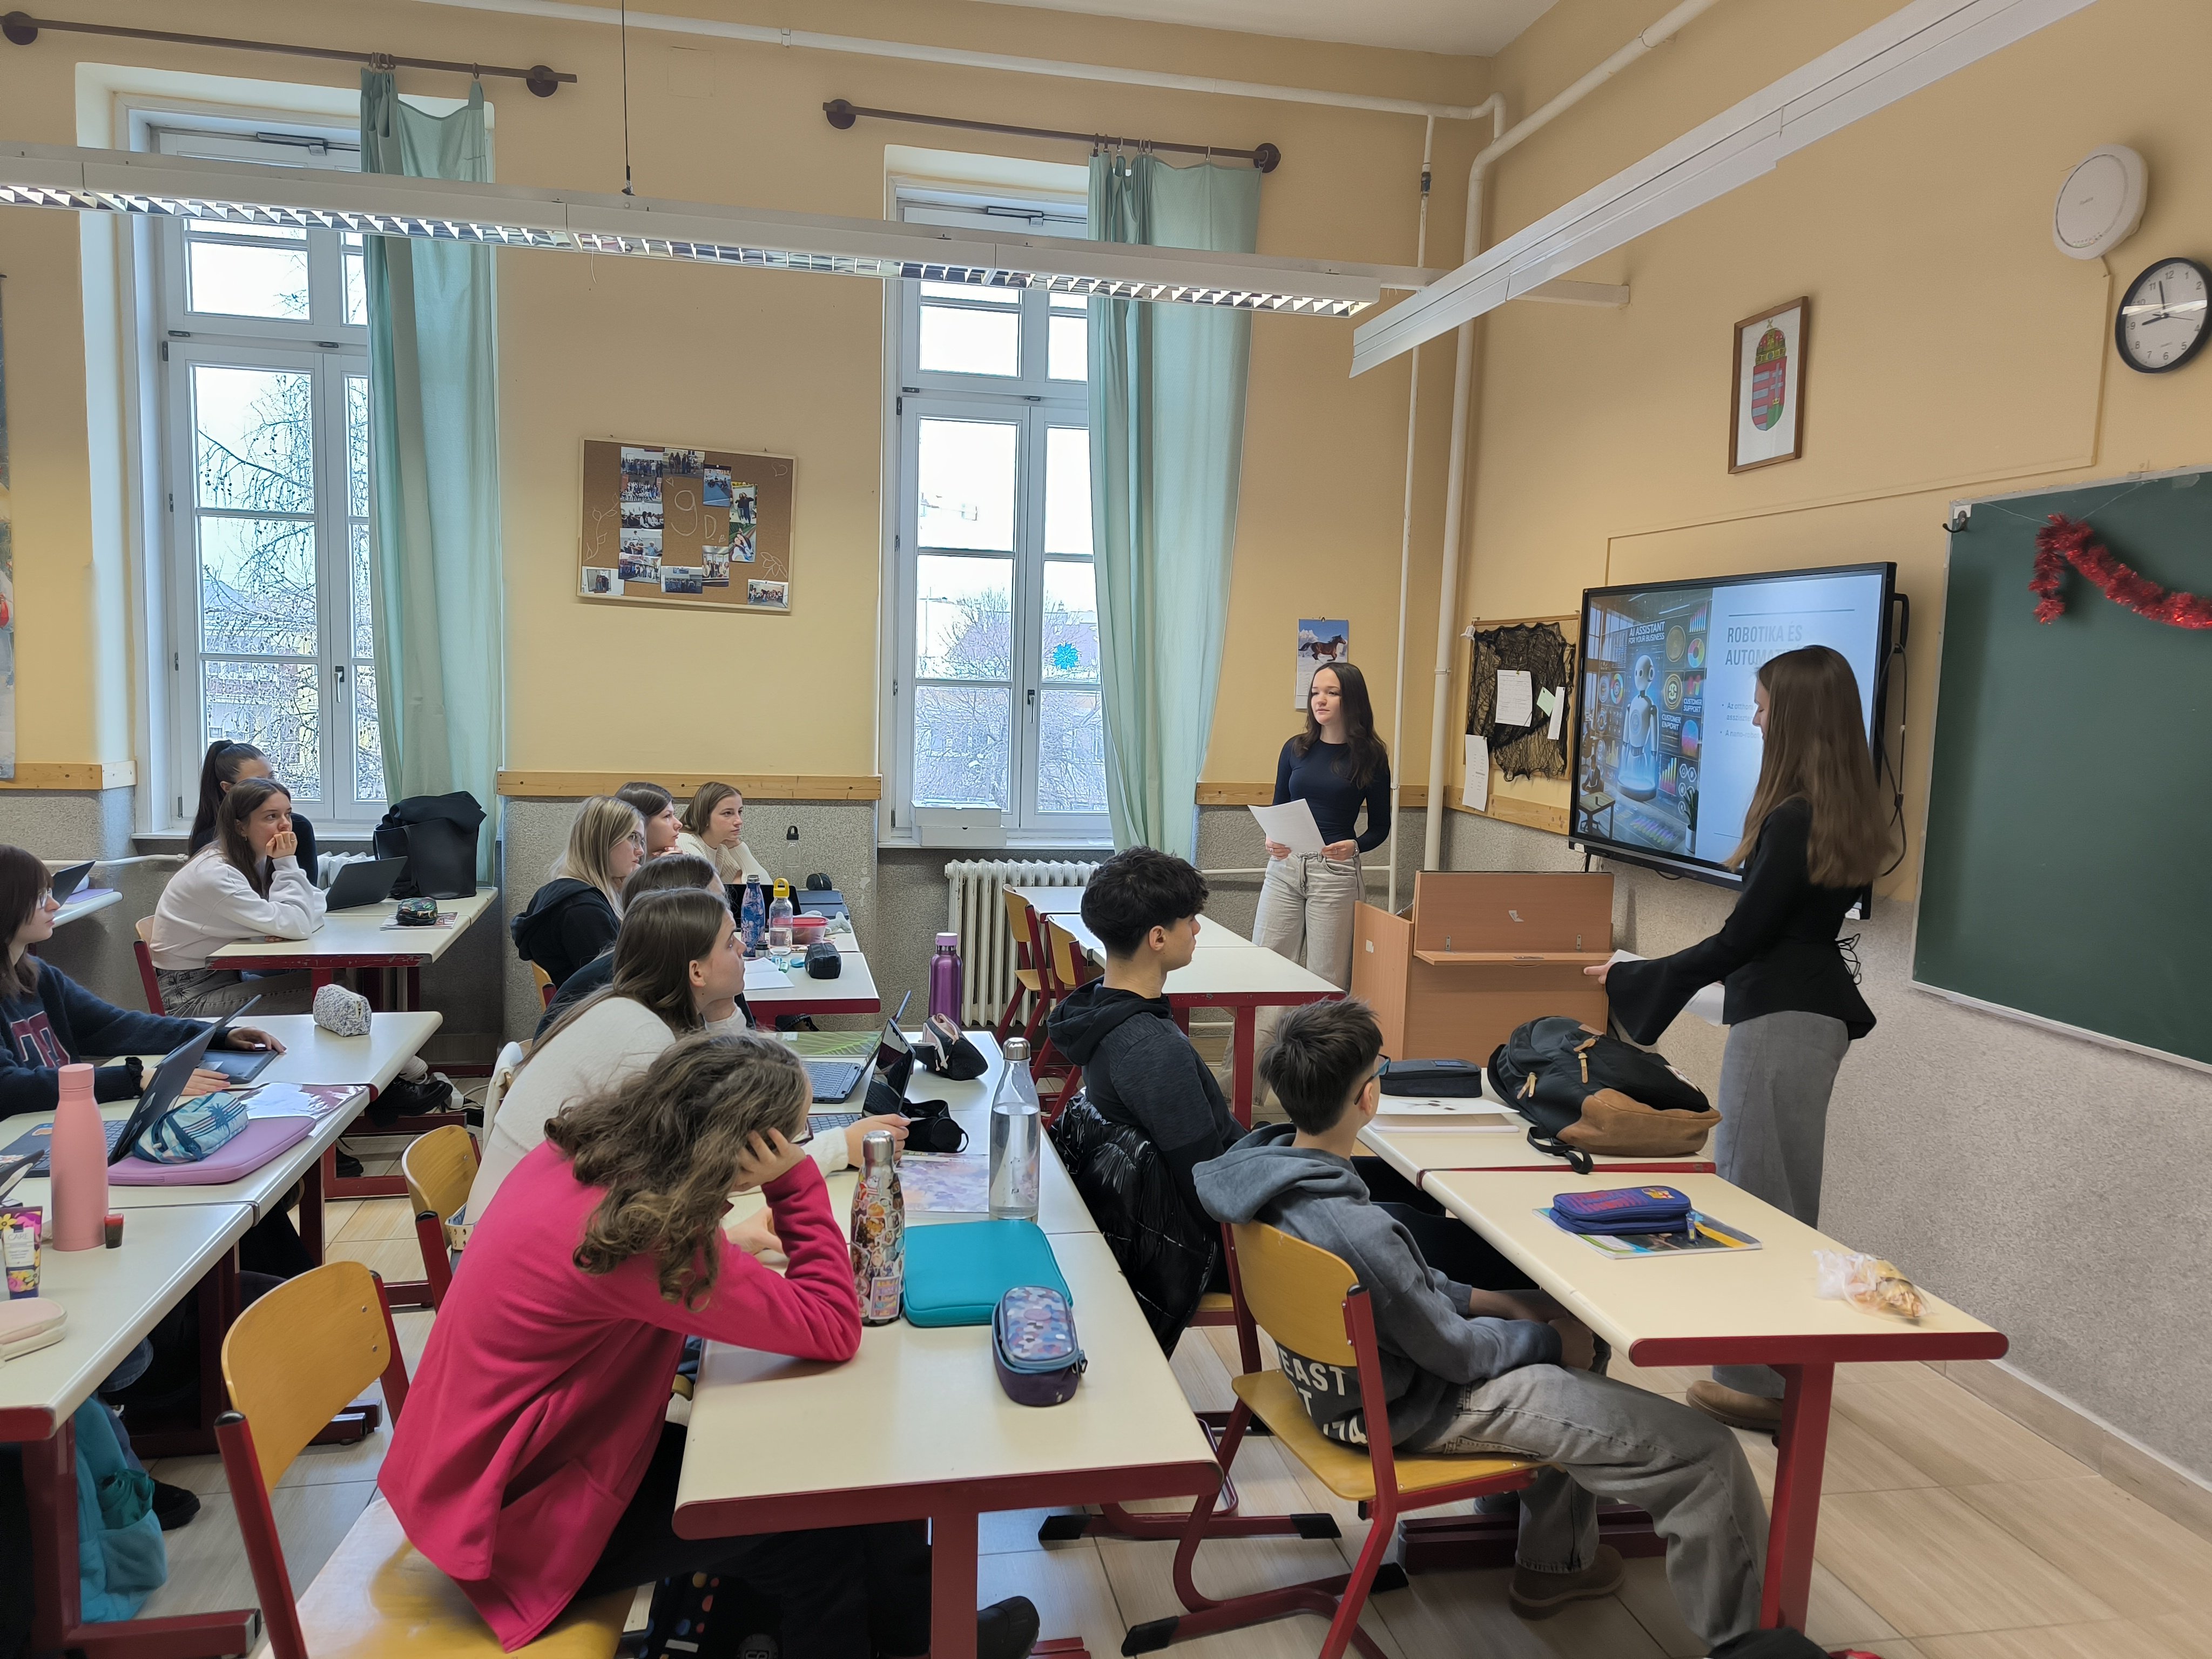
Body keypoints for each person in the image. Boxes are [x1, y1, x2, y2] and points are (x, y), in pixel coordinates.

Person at [379, 1035, 1039, 1659]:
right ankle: (901, 1634)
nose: (794, 1150)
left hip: (479, 1470)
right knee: (814, 1527)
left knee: (849, 1470)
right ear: (745, 1147)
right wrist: (795, 1183)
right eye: (790, 1139)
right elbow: (834, 1328)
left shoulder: (580, 1160)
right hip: (510, 1523)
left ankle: (920, 1633)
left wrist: (729, 1243)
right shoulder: (645, 1239)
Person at [1196, 1000, 1772, 1651]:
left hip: (1338, 1388)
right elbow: (1457, 1354)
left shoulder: (1273, 1174)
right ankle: (1752, 1645)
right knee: (1706, 1454)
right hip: (1414, 1406)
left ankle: (1549, 1557)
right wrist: (1548, 1340)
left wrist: (1506, 1305)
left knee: (1561, 1320)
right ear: (1367, 1097)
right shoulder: (1353, 1228)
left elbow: (1404, 1288)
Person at [1590, 643, 1887, 1436]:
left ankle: (1757, 1386)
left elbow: (1739, 941)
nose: (1753, 718)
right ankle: (1779, 1373)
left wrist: (1635, 975)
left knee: (1757, 1200)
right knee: (1785, 1199)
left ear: (1794, 716)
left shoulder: (1792, 820)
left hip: (1783, 1026)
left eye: (1761, 706)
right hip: (1811, 1018)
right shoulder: (1839, 811)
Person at [470, 888, 905, 1224]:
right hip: (519, 1236)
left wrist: (722, 1008)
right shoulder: (640, 1036)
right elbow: (711, 1167)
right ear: (696, 971)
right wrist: (839, 1147)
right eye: (730, 942)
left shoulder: (643, 1010)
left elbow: (734, 1097)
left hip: (547, 1217)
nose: (742, 949)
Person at [1047, 846, 1242, 1340]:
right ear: (1157, 938)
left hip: (1156, 1225)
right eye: (1189, 920)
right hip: (1214, 1244)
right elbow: (1210, 1187)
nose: (1196, 929)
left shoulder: (1095, 1013)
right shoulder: (1153, 1050)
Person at [1254, 661, 1391, 994]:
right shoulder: (1295, 748)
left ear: (1352, 700)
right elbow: (1279, 806)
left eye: (1332, 693)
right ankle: (1265, 1034)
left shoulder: (1371, 756)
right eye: (1316, 692)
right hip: (1285, 868)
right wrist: (1272, 837)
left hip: (1335, 874)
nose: (1321, 700)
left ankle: (1321, 1033)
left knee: (1326, 978)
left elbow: (1380, 827)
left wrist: (1355, 846)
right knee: (1265, 969)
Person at [148, 778, 326, 1017]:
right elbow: (300, 923)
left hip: (225, 977)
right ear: (241, 828)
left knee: (327, 981)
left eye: (288, 814)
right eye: (271, 817)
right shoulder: (216, 874)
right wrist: (286, 864)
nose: (285, 825)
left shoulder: (250, 857)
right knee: (329, 988)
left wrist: (288, 925)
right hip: (188, 997)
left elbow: (316, 902)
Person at [535, 853, 750, 1036]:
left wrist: (722, 1010)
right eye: (714, 903)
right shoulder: (633, 995)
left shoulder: (707, 967)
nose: (724, 912)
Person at [511, 797, 644, 990]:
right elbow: (614, 986)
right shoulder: (582, 910)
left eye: (641, 841)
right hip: (592, 1007)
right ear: (603, 840)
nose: (640, 851)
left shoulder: (561, 891)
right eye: (633, 838)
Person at [187, 740, 318, 884]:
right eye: (257, 782)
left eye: (272, 778)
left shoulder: (297, 826)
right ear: (228, 788)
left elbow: (308, 891)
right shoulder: (212, 842)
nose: (271, 788)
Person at [675, 780, 770, 888]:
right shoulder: (684, 842)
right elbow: (702, 894)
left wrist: (738, 847)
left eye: (739, 812)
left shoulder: (721, 848)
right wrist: (736, 888)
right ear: (705, 818)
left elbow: (765, 889)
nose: (739, 821)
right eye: (728, 813)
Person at [617, 781, 683, 860]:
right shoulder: (621, 866)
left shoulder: (674, 854)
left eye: (674, 814)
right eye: (667, 816)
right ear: (640, 822)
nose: (679, 824)